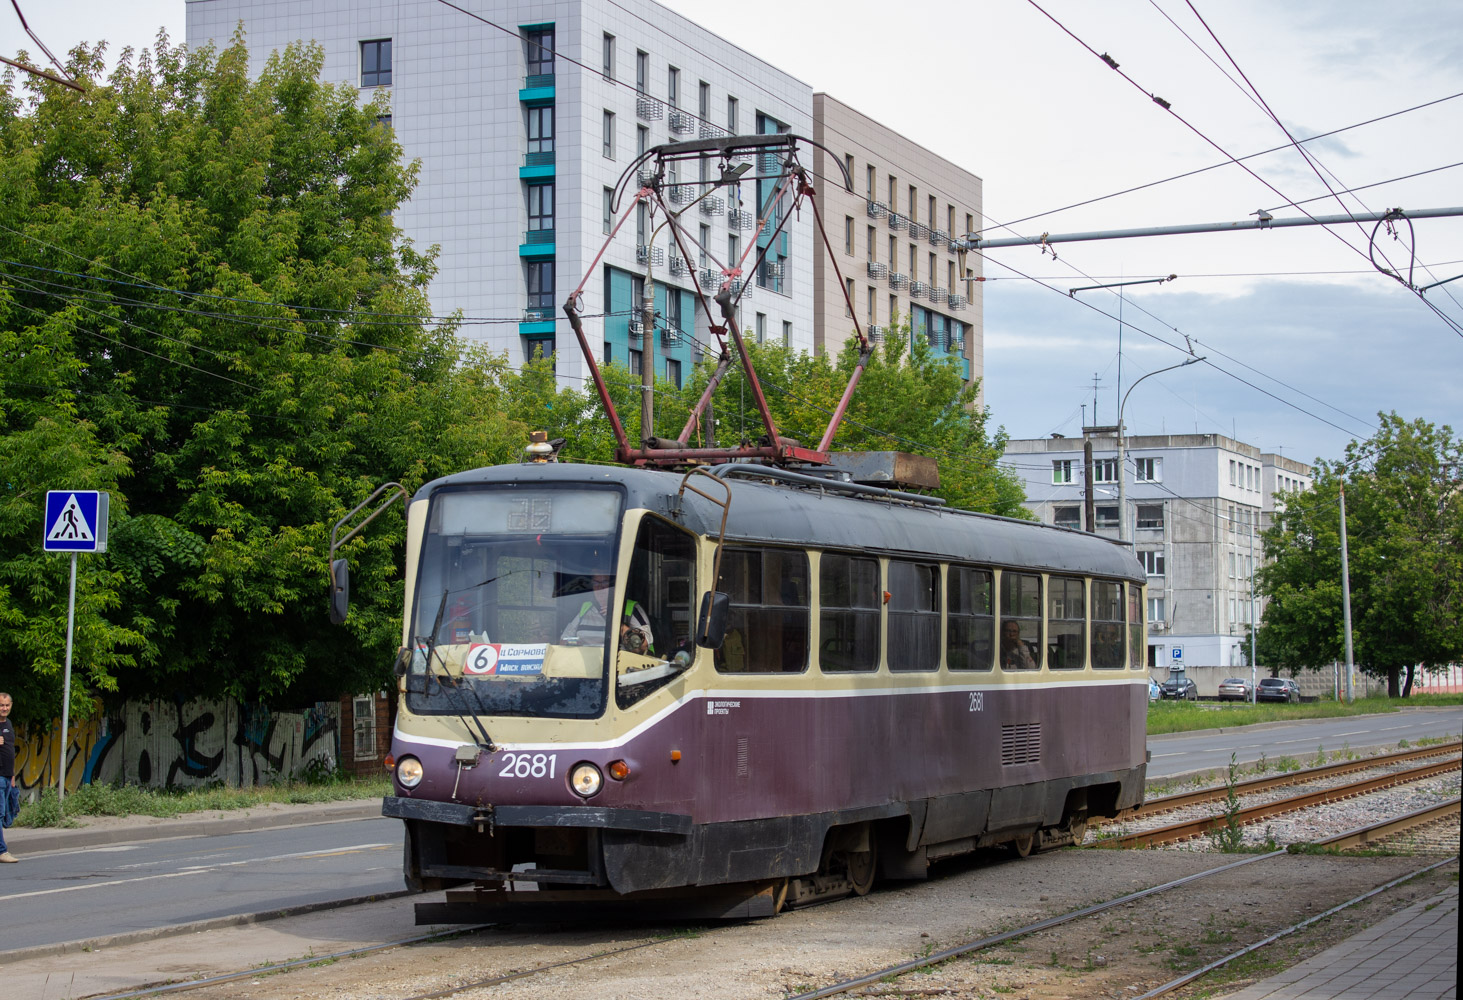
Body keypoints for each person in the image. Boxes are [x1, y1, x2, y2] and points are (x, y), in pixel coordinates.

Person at [561, 575, 654, 654]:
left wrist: (617, 622)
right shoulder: (586, 608)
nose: (600, 588)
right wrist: (574, 644)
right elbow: (563, 641)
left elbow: (643, 647)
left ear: (614, 586)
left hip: (619, 669)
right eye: (596, 583)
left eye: (605, 583)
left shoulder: (631, 608)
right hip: (586, 669)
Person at [0, 691, 17, 863]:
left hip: (7, 776)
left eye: (7, 705)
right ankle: (2, 851)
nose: (4, 708)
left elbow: (10, 751)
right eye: (1, 705)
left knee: (7, 814)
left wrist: (12, 775)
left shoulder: (9, 724)